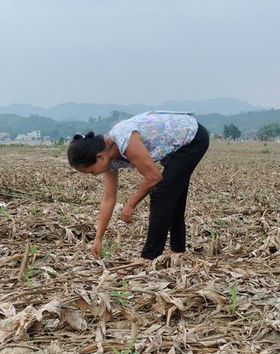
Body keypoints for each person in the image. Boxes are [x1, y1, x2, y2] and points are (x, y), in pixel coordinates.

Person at [66, 111, 209, 261]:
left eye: (91, 172)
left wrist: (131, 203)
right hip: (179, 144)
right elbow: (108, 199)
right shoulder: (108, 157)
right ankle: (177, 249)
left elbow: (154, 177)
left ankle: (149, 256)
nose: (94, 175)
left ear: (99, 158)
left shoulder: (125, 141)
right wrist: (98, 239)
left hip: (193, 137)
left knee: (161, 193)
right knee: (172, 194)